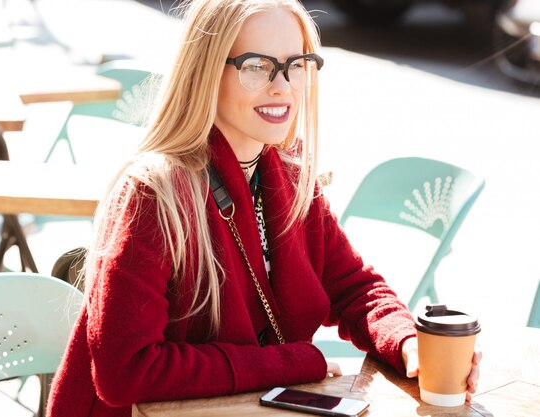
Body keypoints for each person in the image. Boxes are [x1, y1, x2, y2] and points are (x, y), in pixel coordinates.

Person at [47, 0, 480, 416]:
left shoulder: (288, 176)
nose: (283, 86)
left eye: (297, 65)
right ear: (204, 73)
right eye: (256, 66)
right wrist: (290, 363)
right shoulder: (152, 193)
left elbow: (353, 287)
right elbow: (126, 372)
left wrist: (408, 343)